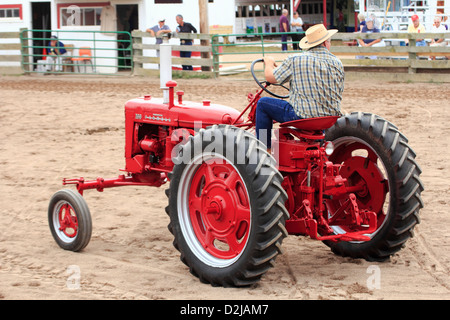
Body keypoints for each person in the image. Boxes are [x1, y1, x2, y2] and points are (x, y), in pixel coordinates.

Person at [256, 24, 344, 152]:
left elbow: (270, 77)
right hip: (329, 118)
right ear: (325, 43)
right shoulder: (337, 62)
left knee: (262, 104)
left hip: (302, 117)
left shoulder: (296, 60)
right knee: (318, 111)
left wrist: (269, 63)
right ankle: (316, 145)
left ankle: (264, 149)